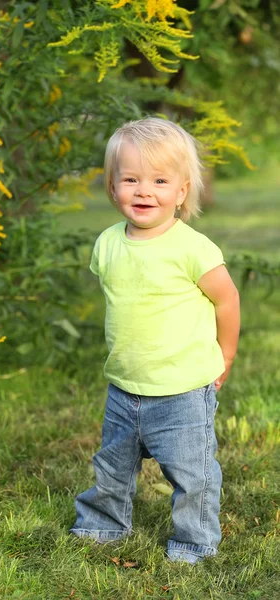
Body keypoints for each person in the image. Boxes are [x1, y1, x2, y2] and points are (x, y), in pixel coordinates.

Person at [69, 117, 241, 564]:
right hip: (125, 386)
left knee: (193, 473)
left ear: (182, 192)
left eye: (161, 181)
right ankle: (104, 522)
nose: (145, 191)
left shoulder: (193, 248)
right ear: (112, 186)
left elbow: (226, 301)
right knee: (112, 466)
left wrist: (226, 353)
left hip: (182, 392)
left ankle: (193, 540)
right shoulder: (107, 244)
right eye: (131, 179)